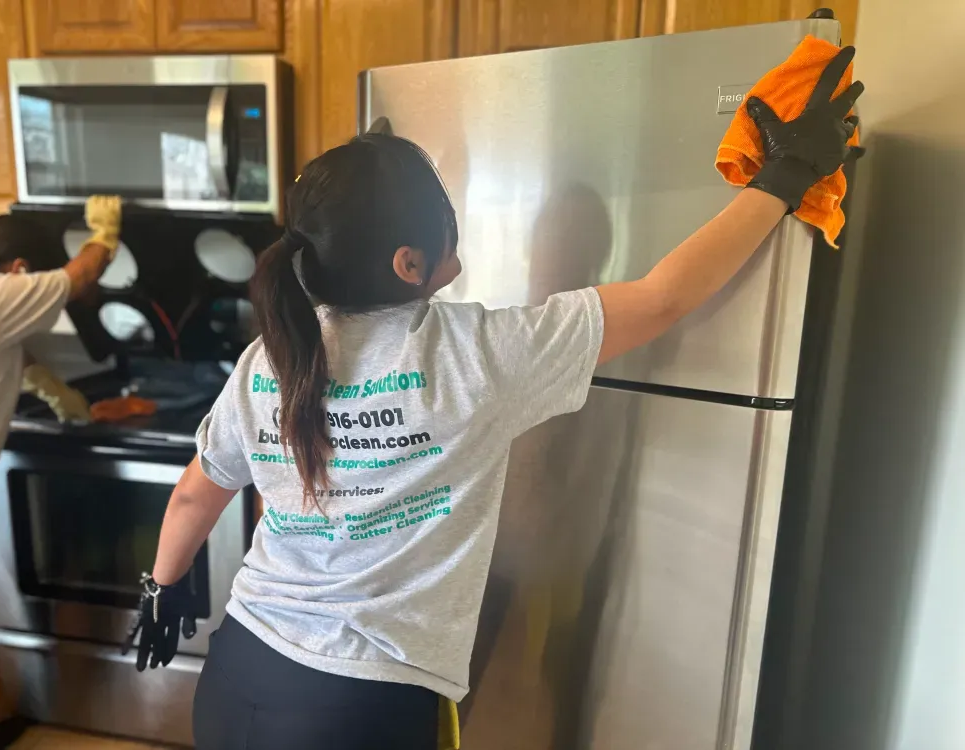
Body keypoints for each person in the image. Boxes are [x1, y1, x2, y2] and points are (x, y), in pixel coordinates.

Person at [127, 49, 863, 750]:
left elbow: (196, 496)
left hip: (238, 676)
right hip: (362, 708)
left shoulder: (269, 359)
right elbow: (664, 298)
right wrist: (782, 181)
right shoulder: (476, 354)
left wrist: (160, 592)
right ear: (410, 264)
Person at [0, 197, 122, 748]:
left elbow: (1, 354)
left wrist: (56, 392)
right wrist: (103, 232)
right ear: (18, 272)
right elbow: (79, 278)